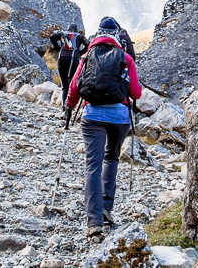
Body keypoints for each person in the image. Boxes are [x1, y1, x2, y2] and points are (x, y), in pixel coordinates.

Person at [66, 16, 142, 240]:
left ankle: (94, 222)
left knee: (92, 166)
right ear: (117, 35)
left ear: (98, 34)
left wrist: (69, 108)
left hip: (92, 116)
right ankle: (107, 208)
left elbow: (74, 88)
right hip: (119, 117)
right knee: (112, 158)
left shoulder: (87, 55)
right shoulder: (125, 57)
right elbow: (136, 93)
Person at [49, 23, 88, 99]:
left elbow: (52, 37)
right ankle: (71, 106)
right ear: (76, 29)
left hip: (62, 58)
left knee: (65, 85)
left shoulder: (62, 34)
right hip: (74, 59)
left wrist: (58, 49)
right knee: (73, 83)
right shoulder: (80, 36)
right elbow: (88, 44)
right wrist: (79, 53)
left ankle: (64, 106)